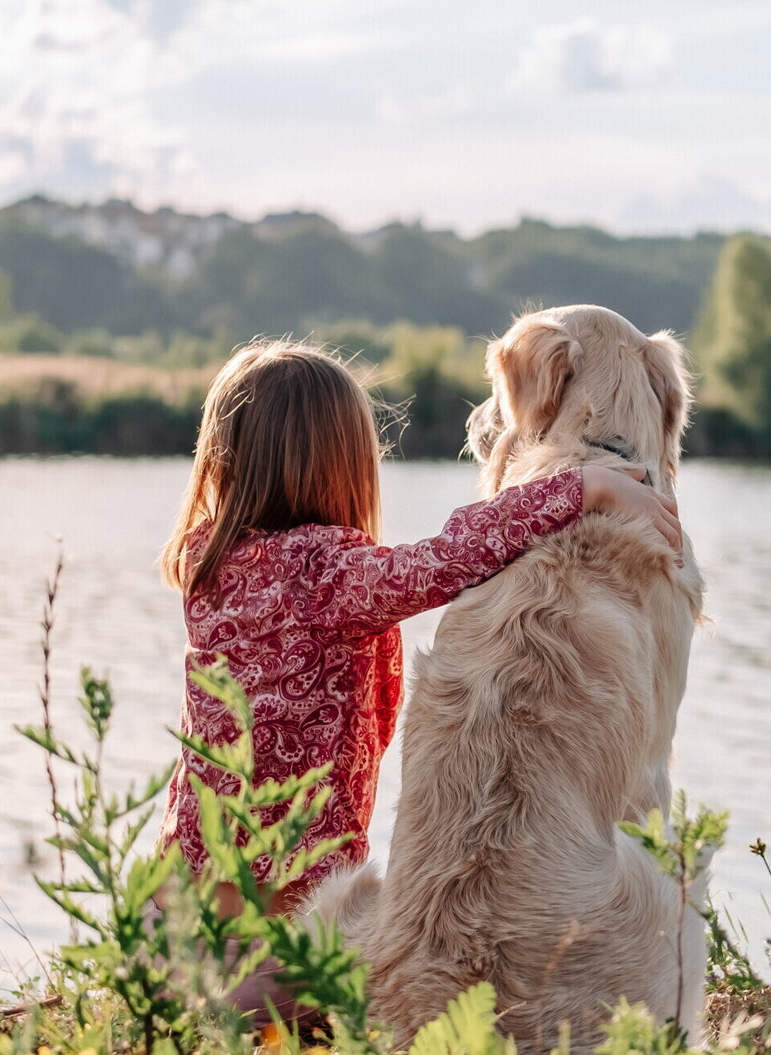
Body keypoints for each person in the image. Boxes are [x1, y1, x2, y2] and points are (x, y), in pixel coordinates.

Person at [152, 339, 683, 1018]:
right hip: (281, 866)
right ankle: (224, 1010)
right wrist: (583, 487)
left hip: (193, 850)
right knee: (328, 979)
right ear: (343, 464)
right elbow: (451, 558)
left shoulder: (209, 562)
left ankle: (182, 988)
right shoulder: (327, 575)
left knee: (217, 958)